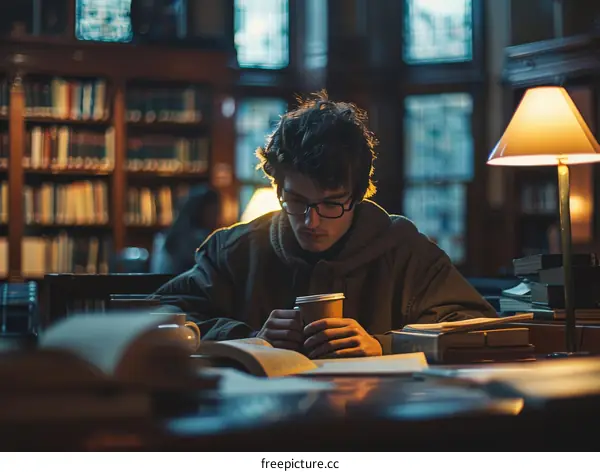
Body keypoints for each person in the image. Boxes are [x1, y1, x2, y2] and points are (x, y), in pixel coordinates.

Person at [152, 91, 496, 358]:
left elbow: (476, 327)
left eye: (331, 203)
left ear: (358, 195)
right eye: (296, 201)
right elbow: (161, 315)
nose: (310, 221)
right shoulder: (235, 249)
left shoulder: (407, 251)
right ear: (278, 188)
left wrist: (385, 345)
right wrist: (247, 337)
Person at [150, 185, 220, 275]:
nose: (216, 217)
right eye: (213, 212)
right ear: (199, 211)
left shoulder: (169, 234)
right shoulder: (197, 240)